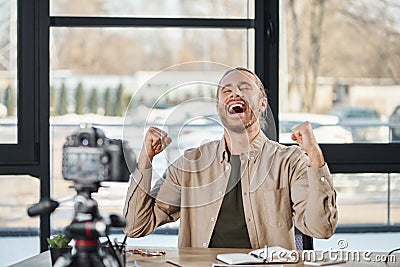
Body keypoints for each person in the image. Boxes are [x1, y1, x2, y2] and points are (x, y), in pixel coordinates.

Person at [123, 67, 337, 250]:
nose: (234, 93)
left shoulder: (290, 161)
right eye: (226, 90)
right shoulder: (191, 165)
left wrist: (315, 157)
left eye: (244, 88)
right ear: (219, 107)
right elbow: (136, 226)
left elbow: (321, 228)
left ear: (262, 104)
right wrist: (146, 159)